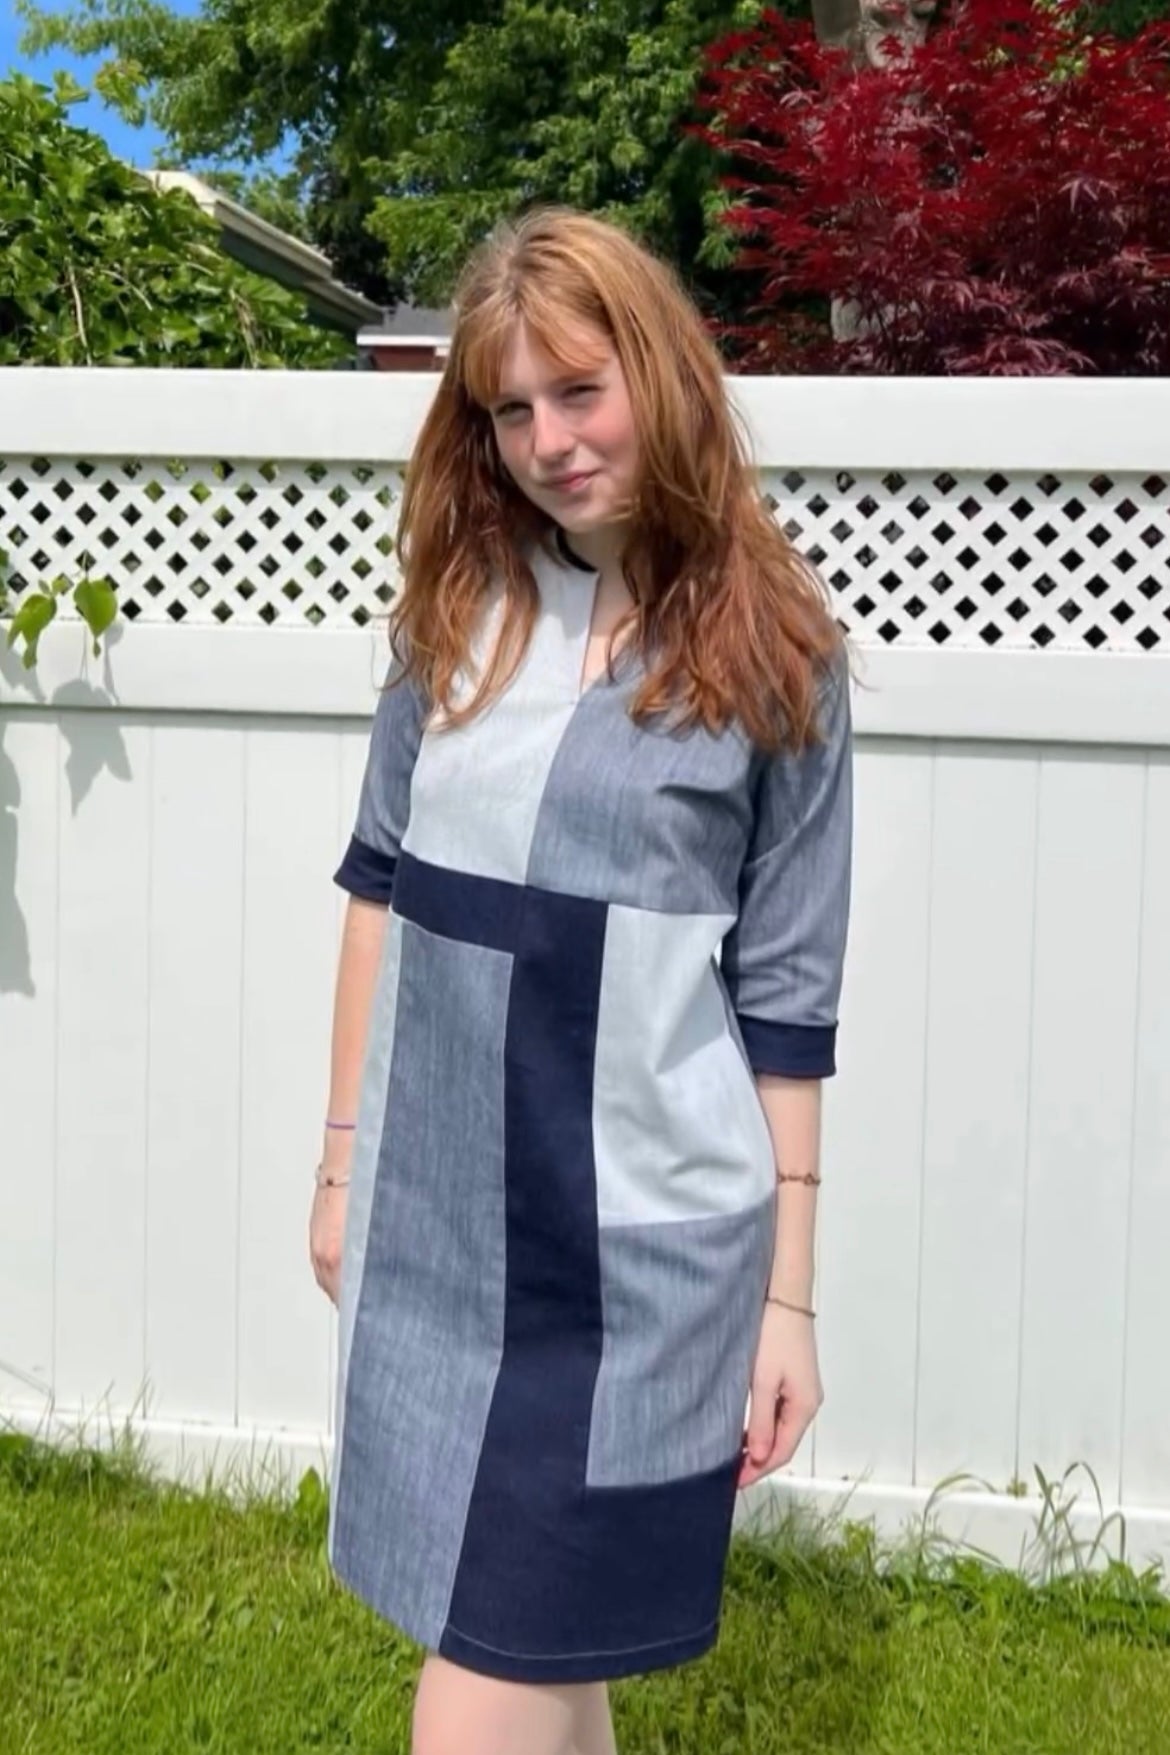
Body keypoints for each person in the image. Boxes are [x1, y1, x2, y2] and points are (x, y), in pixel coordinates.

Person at [309, 204, 854, 1755]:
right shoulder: (451, 621)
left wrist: (787, 1302)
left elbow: (788, 1005)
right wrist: (342, 1159)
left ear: (661, 375)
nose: (547, 440)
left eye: (579, 389)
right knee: (541, 1654)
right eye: (508, 408)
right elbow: (379, 898)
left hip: (645, 1264)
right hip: (445, 1233)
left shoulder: (776, 657)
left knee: (488, 1680)